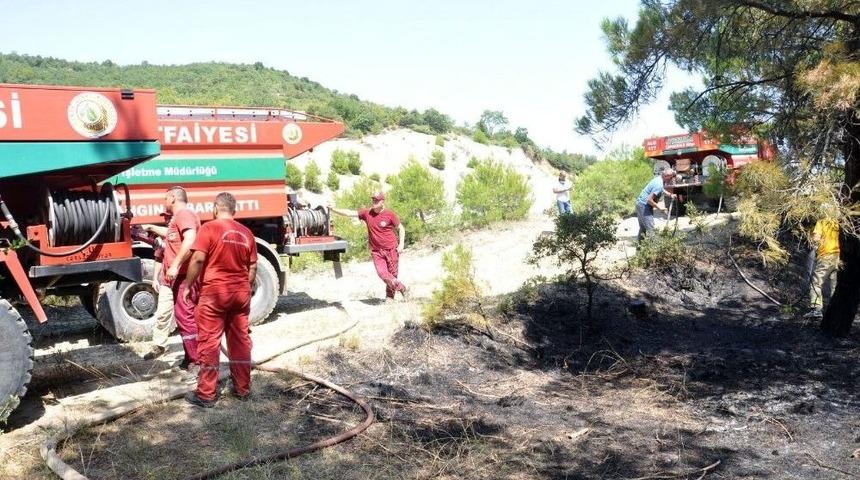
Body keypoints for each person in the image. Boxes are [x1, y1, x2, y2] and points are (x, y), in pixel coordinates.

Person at [183, 192, 257, 407]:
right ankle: (242, 389)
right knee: (240, 341)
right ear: (234, 210)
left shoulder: (209, 228)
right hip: (240, 294)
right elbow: (252, 267)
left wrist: (188, 285)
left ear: (215, 208)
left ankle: (206, 395)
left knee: (209, 342)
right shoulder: (247, 233)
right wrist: (243, 287)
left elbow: (198, 259)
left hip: (214, 294)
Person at [141, 186, 201, 369]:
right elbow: (171, 235)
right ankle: (190, 358)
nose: (164, 202)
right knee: (182, 319)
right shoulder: (178, 218)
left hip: (183, 277)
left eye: (165, 198)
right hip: (175, 279)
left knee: (186, 319)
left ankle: (197, 361)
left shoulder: (184, 214)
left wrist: (175, 265)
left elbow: (190, 239)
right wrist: (150, 227)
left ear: (173, 198)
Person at [329, 191, 408, 300]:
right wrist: (333, 209)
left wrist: (401, 244)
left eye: (377, 200)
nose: (374, 202)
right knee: (382, 273)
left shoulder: (389, 214)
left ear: (382, 202)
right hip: (376, 251)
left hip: (391, 249)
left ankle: (390, 297)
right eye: (373, 200)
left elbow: (401, 228)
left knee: (392, 274)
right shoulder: (367, 213)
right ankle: (402, 288)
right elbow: (349, 213)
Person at [807, 218, 840, 317]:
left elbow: (816, 238)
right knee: (835, 286)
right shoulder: (839, 222)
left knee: (816, 283)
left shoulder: (821, 222)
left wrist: (814, 239)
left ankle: (816, 309)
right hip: (839, 257)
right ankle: (836, 311)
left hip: (826, 256)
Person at [635, 168, 678, 243]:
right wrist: (659, 207)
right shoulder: (659, 184)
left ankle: (639, 248)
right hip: (644, 206)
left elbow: (661, 189)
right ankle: (656, 248)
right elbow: (649, 200)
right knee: (651, 229)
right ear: (666, 176)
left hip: (640, 203)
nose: (671, 179)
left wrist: (670, 194)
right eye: (671, 178)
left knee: (643, 228)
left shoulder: (659, 179)